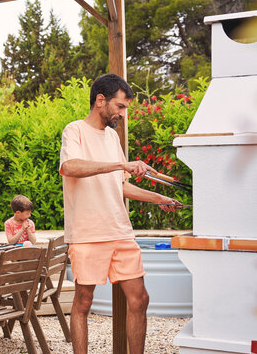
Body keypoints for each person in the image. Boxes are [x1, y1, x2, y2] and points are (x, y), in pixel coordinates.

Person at [59, 74, 181, 354]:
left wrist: (158, 197)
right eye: (120, 106)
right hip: (87, 233)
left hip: (120, 232)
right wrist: (120, 164)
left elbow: (120, 185)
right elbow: (71, 167)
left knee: (139, 300)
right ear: (100, 101)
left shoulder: (113, 137)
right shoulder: (74, 130)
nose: (123, 114)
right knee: (83, 303)